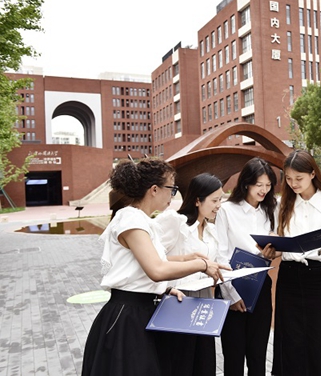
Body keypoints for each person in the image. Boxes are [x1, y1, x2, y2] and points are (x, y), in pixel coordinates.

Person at [82, 158, 229, 376]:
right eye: (171, 189)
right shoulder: (131, 220)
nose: (174, 195)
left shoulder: (144, 220)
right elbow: (156, 270)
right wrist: (201, 265)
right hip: (128, 317)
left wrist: (184, 263)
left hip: (145, 310)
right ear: (154, 189)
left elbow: (150, 264)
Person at [271, 149, 321, 376]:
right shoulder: (282, 203)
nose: (293, 184)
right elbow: (278, 240)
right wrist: (271, 249)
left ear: (313, 174)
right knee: (290, 341)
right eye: (289, 178)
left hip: (319, 277)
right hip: (289, 277)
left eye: (299, 178)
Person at [154, 173, 225, 376]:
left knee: (204, 364)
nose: (218, 205)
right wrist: (192, 263)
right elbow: (153, 260)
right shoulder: (176, 222)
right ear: (197, 200)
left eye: (220, 199)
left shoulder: (211, 230)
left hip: (205, 301)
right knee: (180, 364)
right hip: (179, 300)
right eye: (214, 200)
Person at [215, 157, 278, 376]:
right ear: (246, 184)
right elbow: (220, 254)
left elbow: (275, 244)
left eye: (268, 185)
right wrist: (230, 295)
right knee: (233, 356)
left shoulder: (271, 209)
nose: (264, 190)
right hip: (233, 286)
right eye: (259, 185)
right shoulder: (226, 210)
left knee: (258, 354)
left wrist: (273, 252)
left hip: (260, 285)